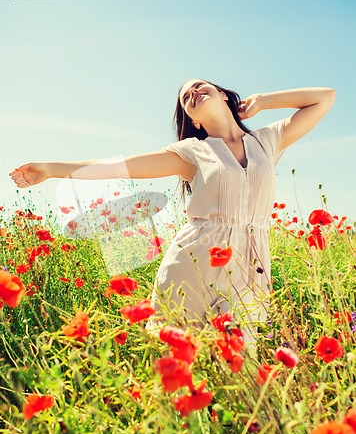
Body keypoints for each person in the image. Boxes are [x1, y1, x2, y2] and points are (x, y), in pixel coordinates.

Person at [9, 79, 336, 355]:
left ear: (223, 94)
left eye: (198, 85)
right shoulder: (193, 152)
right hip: (195, 261)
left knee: (241, 360)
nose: (192, 92)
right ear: (193, 121)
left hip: (251, 263)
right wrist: (52, 169)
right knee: (177, 356)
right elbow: (121, 167)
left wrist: (262, 102)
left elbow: (324, 98)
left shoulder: (268, 140)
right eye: (186, 99)